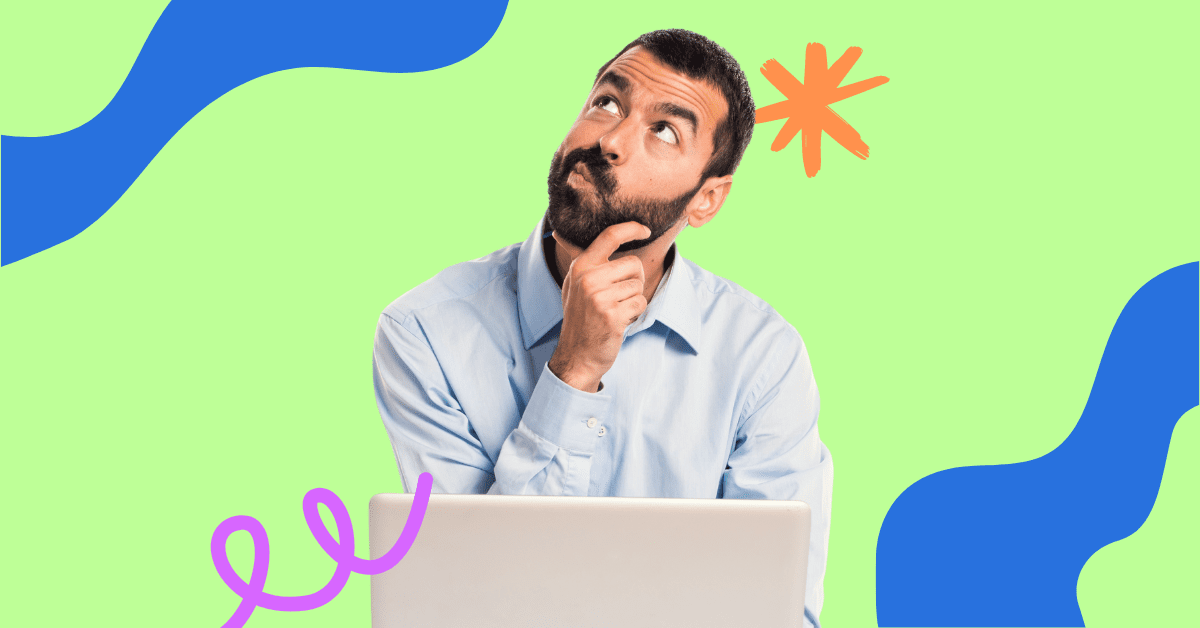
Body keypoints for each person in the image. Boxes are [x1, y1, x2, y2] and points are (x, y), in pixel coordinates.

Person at [372, 29, 832, 627]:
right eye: (607, 103)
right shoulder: (426, 333)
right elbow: (476, 606)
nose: (610, 140)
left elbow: (778, 612)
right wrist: (574, 370)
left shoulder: (761, 359)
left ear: (707, 200)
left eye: (664, 130)